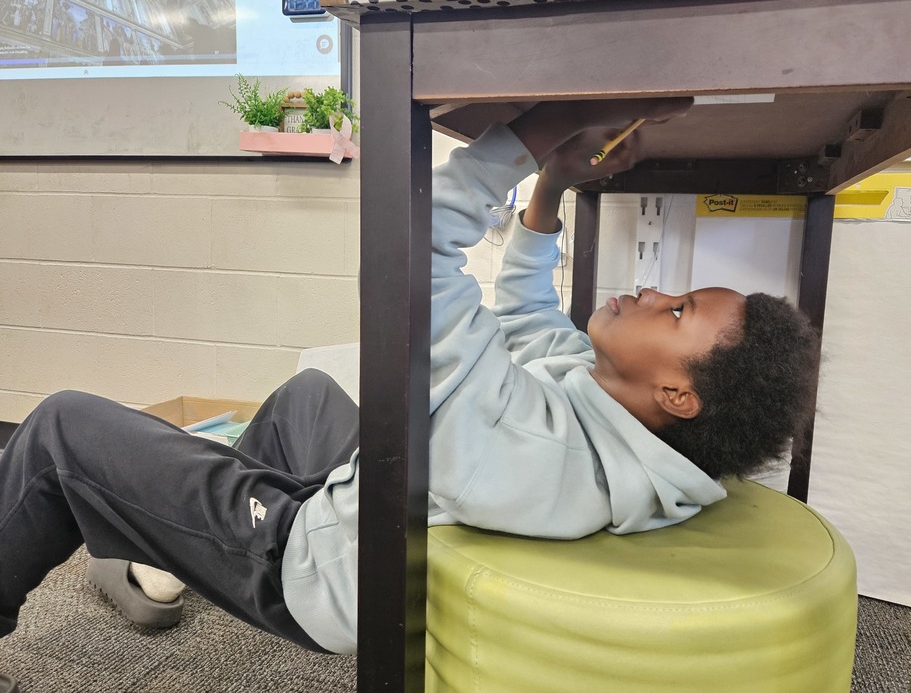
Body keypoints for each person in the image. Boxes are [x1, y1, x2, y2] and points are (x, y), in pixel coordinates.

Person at [0, 98, 820, 677]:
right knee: (310, 396)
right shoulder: (615, 418)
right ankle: (172, 556)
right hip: (392, 497)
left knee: (60, 429)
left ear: (680, 395)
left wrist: (543, 125)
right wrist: (553, 184)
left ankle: (198, 548)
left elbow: (417, 257)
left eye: (675, 311)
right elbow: (530, 312)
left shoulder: (536, 446)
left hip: (308, 563)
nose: (648, 292)